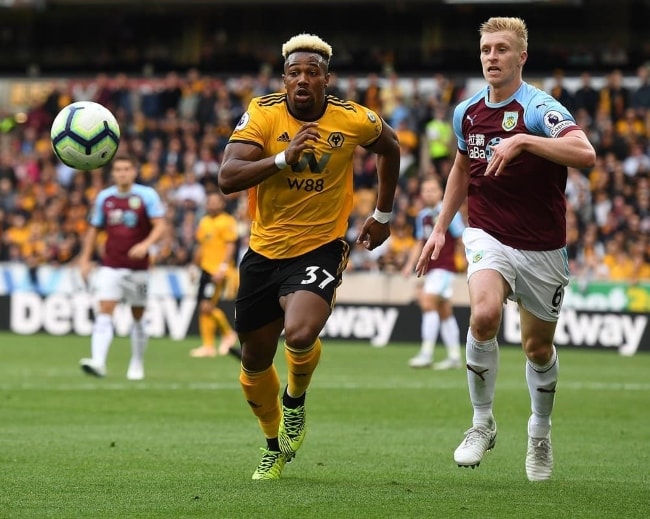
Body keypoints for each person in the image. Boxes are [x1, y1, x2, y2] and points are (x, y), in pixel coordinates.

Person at [415, 17, 596, 482]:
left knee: (538, 349)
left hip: (542, 247)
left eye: (501, 49)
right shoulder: (467, 112)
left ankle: (539, 431)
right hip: (487, 234)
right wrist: (440, 228)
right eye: (486, 49)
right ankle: (482, 423)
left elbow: (586, 154)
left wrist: (523, 141)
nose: (491, 57)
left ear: (521, 57)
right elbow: (461, 168)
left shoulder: (539, 108)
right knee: (484, 314)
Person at [218, 33, 400, 480]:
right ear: (284, 79)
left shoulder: (352, 119)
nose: (302, 79)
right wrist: (282, 159)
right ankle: (272, 444)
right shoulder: (262, 113)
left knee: (298, 333)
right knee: (254, 362)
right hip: (263, 252)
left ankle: (295, 401)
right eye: (294, 72)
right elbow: (228, 177)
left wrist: (383, 213)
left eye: (312, 73)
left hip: (321, 245)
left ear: (326, 80)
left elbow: (390, 147)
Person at [78, 154, 166, 380]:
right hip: (111, 265)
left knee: (138, 315)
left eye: (127, 169)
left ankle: (136, 363)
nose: (122, 173)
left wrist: (145, 244)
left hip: (139, 269)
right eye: (118, 169)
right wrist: (85, 259)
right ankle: (98, 362)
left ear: (134, 171)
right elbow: (93, 230)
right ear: (113, 173)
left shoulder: (146, 196)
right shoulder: (104, 198)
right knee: (104, 311)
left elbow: (160, 226)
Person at [403, 175, 464, 370]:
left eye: (433, 190)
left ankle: (426, 353)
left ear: (441, 192)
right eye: (426, 190)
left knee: (427, 301)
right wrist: (409, 264)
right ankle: (454, 356)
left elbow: (461, 237)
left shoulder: (449, 213)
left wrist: (467, 261)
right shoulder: (422, 216)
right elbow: (420, 241)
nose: (429, 193)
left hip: (445, 267)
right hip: (432, 268)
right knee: (444, 310)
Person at [189, 190, 239, 358]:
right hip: (205, 268)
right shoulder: (204, 221)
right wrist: (193, 267)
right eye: (209, 201)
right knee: (203, 308)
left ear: (222, 204)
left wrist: (223, 267)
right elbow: (201, 246)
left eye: (215, 201)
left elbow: (231, 245)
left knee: (207, 306)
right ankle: (208, 346)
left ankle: (228, 334)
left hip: (217, 270)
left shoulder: (227, 221)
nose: (211, 204)